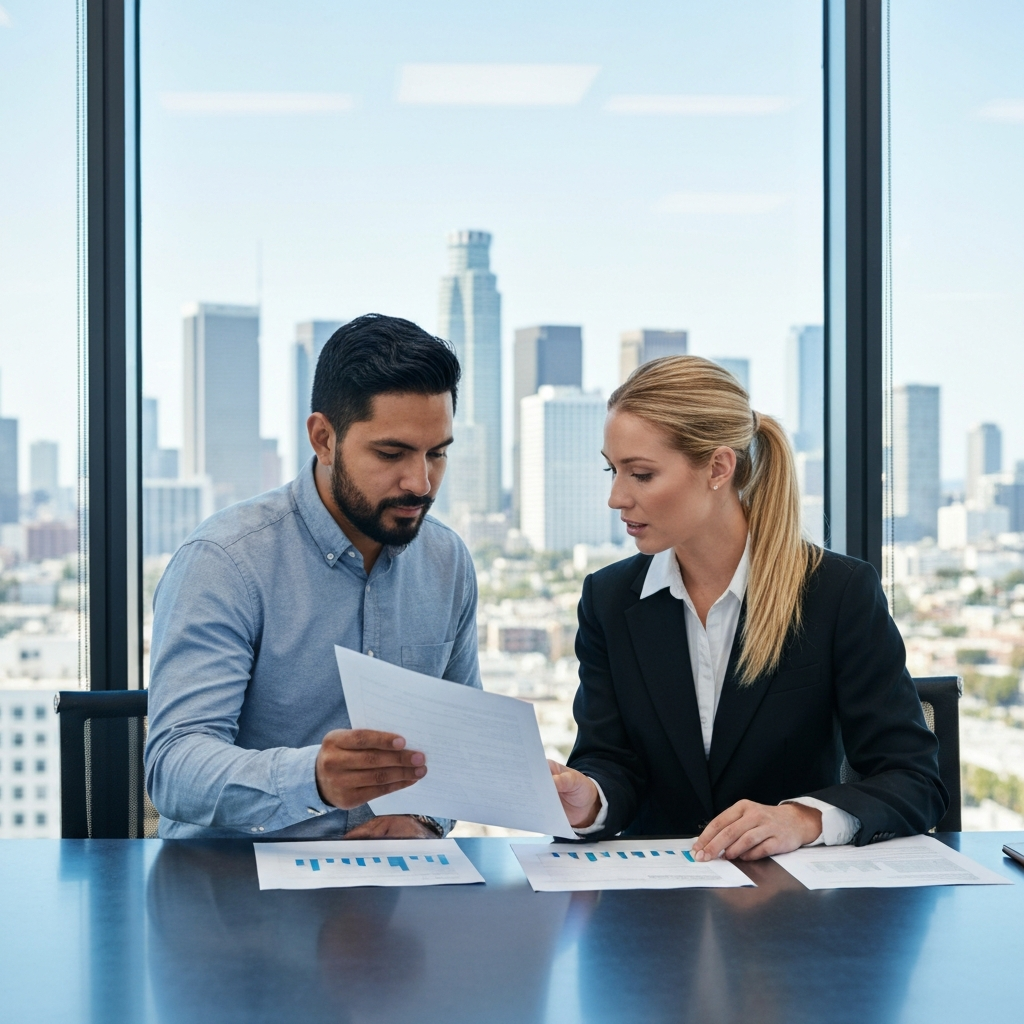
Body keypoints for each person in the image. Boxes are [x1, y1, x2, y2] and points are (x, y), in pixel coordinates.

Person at [548, 355, 946, 860]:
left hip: (791, 905)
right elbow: (611, 761)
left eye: (641, 474)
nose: (616, 497)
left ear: (718, 467)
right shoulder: (608, 600)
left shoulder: (837, 592)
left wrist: (801, 818)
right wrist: (590, 801)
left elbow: (913, 780)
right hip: (655, 906)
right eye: (613, 470)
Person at [145, 313, 480, 840]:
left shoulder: (447, 561)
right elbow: (174, 768)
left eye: (437, 453)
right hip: (234, 892)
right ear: (324, 439)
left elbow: (459, 742)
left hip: (385, 891)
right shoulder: (225, 561)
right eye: (391, 453)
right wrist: (313, 780)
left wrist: (421, 819)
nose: (421, 482)